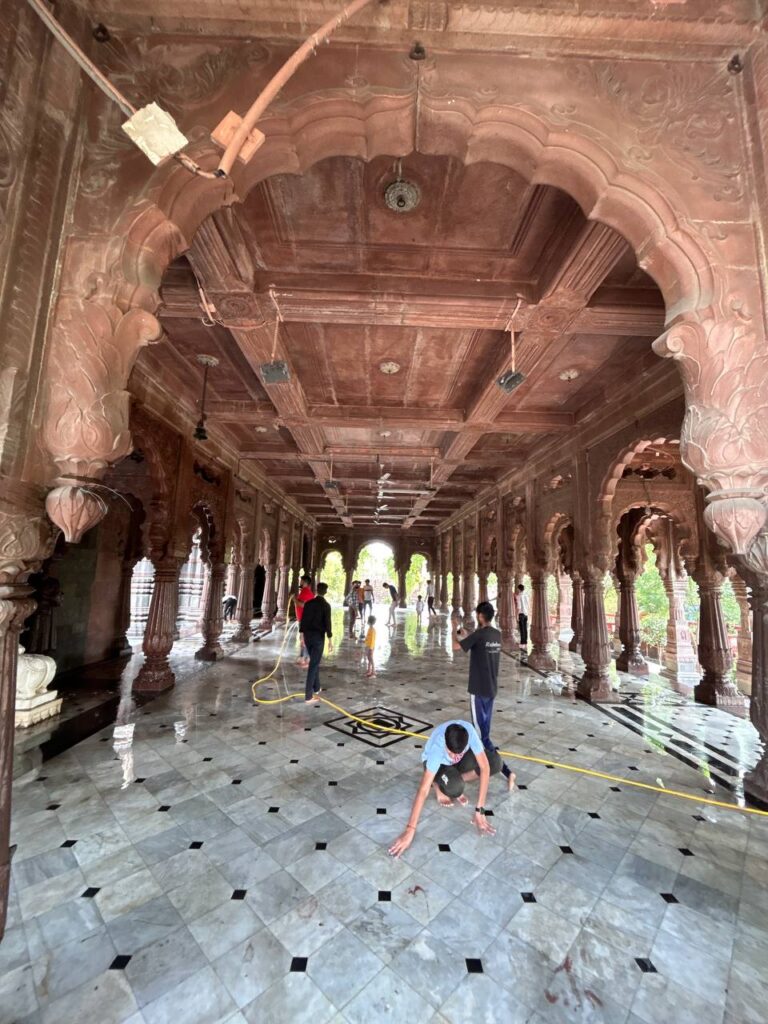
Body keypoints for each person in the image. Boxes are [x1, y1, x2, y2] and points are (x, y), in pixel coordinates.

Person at [388, 720, 497, 858]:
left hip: (456, 764)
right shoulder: (438, 747)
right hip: (439, 765)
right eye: (451, 753)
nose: (454, 757)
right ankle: (437, 782)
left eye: (458, 753)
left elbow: (485, 767)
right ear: (445, 744)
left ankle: (452, 777)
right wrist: (410, 829)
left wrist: (480, 810)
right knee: (455, 788)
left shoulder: (470, 732)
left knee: (495, 762)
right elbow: (423, 790)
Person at [453, 601, 515, 790]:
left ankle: (506, 771)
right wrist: (467, 636)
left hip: (478, 690)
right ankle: (468, 762)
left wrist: (454, 628)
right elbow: (479, 646)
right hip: (491, 689)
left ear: (480, 616)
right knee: (482, 731)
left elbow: (456, 647)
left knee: (482, 736)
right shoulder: (496, 635)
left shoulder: (479, 635)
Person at [299, 582, 333, 704]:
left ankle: (316, 687)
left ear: (316, 590)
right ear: (325, 592)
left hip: (308, 636)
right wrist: (330, 640)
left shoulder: (308, 603)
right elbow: (328, 623)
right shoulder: (326, 606)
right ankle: (308, 696)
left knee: (315, 660)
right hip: (318, 637)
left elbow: (303, 620)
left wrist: (301, 636)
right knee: (313, 665)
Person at [295, 574, 315, 667]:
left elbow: (303, 605)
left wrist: (294, 599)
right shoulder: (305, 591)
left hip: (305, 619)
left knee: (304, 639)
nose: (300, 582)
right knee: (303, 638)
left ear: (305, 582)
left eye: (301, 581)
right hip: (304, 619)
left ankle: (306, 659)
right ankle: (303, 657)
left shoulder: (306, 592)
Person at [517, 583, 530, 649]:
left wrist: (517, 615)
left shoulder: (519, 596)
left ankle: (522, 643)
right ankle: (525, 642)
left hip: (521, 614)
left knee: (522, 629)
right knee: (525, 628)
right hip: (526, 614)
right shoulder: (526, 595)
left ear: (519, 589)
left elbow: (519, 607)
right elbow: (528, 605)